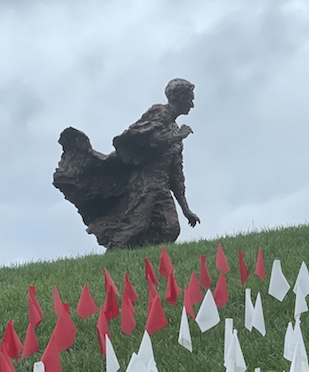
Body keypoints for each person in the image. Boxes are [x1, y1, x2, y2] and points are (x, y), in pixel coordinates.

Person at [53, 78, 201, 249]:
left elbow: (176, 175)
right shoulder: (160, 113)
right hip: (144, 184)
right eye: (190, 99)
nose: (192, 104)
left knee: (170, 228)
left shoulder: (176, 130)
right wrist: (179, 136)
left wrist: (186, 209)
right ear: (179, 97)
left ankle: (142, 256)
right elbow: (150, 140)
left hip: (162, 187)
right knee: (135, 224)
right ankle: (114, 255)